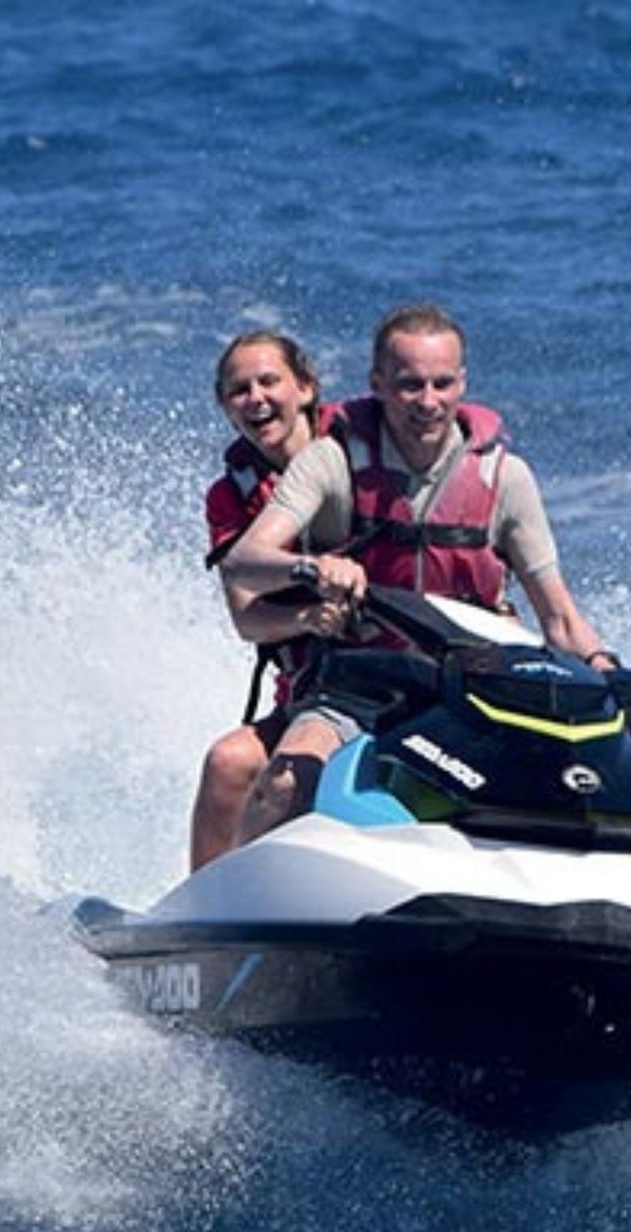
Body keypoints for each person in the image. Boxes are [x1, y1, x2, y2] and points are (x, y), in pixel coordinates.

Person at [222, 301, 617, 845]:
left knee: (586, 782)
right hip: (359, 686)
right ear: (378, 384)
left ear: (462, 383)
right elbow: (245, 562)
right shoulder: (330, 462)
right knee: (285, 783)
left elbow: (562, 621)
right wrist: (313, 569)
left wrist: (606, 675)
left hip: (472, 688)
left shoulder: (504, 478)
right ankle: (233, 916)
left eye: (442, 384)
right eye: (410, 386)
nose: (428, 402)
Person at [188, 331, 352, 869]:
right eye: (239, 390)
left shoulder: (360, 458)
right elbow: (246, 618)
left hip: (396, 676)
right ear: (226, 408)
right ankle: (204, 920)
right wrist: (309, 616)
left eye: (269, 381)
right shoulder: (232, 496)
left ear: (305, 388)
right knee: (228, 761)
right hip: (311, 688)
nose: (255, 397)